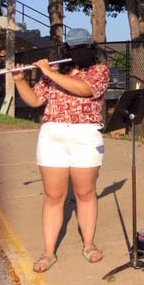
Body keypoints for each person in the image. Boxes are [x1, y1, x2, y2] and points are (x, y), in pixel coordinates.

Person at [12, 28, 110, 273]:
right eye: (74, 49)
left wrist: (47, 72)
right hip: (52, 136)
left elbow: (85, 90)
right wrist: (20, 81)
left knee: (85, 193)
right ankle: (48, 251)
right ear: (67, 50)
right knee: (54, 196)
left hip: (85, 136)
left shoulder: (100, 71)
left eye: (83, 48)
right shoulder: (54, 72)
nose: (78, 53)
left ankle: (88, 244)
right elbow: (34, 101)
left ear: (91, 49)